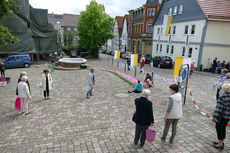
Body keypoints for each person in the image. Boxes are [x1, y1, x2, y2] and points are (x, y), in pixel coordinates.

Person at [213, 83, 230, 150]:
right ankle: (221, 141)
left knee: (219, 129)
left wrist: (215, 117)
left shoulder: (222, 97)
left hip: (221, 116)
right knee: (223, 128)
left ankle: (220, 144)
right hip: (228, 116)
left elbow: (219, 108)